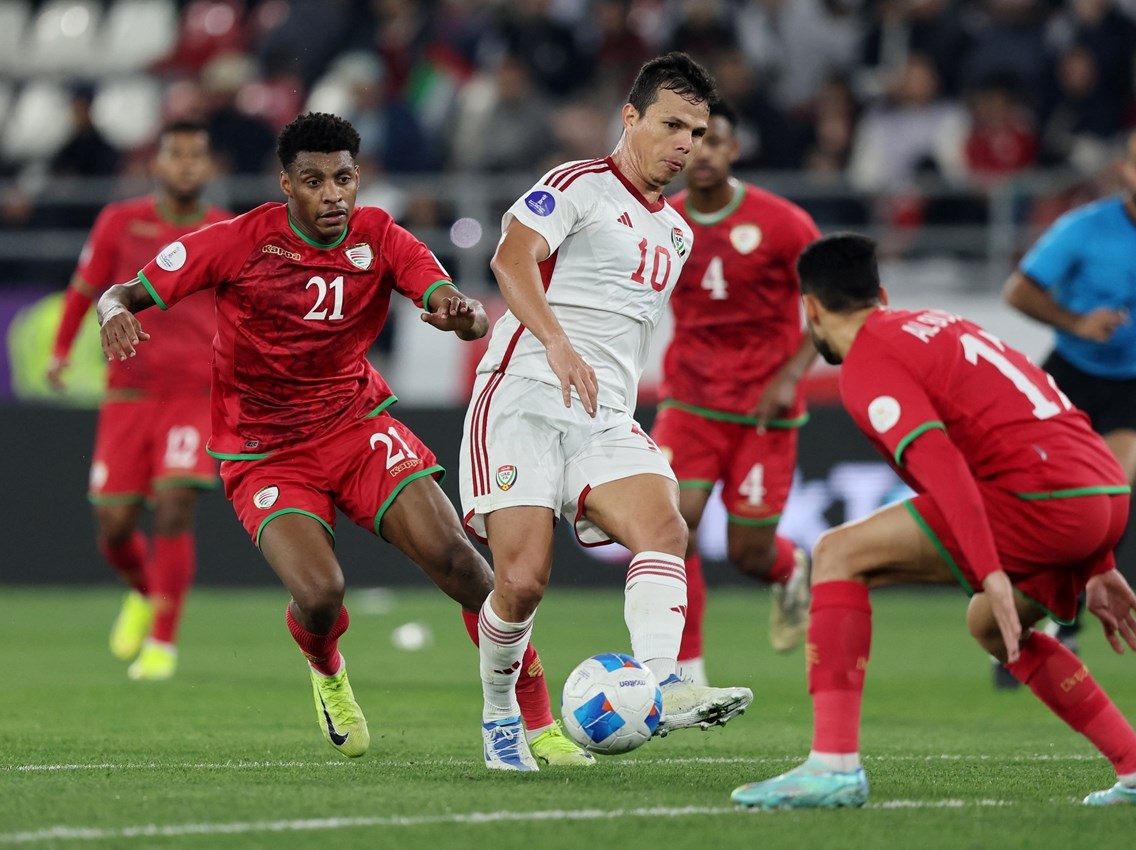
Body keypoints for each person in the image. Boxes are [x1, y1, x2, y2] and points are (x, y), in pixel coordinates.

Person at [96, 112, 591, 768]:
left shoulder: (380, 236)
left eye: (344, 178)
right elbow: (122, 291)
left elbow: (451, 300)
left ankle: (538, 723)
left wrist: (464, 316)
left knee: (464, 566)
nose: (333, 194)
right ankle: (327, 669)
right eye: (314, 180)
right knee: (321, 594)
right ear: (286, 184)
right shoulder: (237, 242)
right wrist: (114, 314)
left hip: (357, 428)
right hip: (264, 450)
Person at [732, 234, 1136, 809]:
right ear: (883, 294)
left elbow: (943, 466)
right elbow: (1044, 408)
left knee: (836, 554)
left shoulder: (870, 363)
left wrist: (991, 569)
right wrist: (1097, 557)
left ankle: (833, 767)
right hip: (1100, 487)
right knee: (993, 629)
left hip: (1043, 497)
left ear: (812, 310)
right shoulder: (937, 323)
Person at [459, 52, 753, 772]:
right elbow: (511, 259)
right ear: (630, 118)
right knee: (522, 581)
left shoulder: (677, 234)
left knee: (664, 525)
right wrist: (555, 341)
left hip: (603, 413)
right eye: (672, 125)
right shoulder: (576, 186)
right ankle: (501, 716)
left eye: (698, 132)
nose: (686, 144)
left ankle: (666, 680)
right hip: (523, 392)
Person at [1000, 123, 1136, 686]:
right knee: (1040, 509)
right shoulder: (1083, 229)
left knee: (1106, 501)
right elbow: (1018, 290)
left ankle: (1061, 621)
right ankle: (1010, 623)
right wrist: (1076, 322)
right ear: (1124, 170)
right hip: (1068, 378)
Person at [47, 121, 229, 681]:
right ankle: (144, 593)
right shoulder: (119, 222)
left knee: (175, 505)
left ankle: (162, 643)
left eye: (197, 155)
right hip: (128, 392)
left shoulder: (224, 230)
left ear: (210, 166)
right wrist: (60, 350)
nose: (186, 165)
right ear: (158, 163)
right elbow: (86, 287)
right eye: (176, 154)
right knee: (115, 524)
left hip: (194, 393)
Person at [655, 99, 821, 685]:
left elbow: (832, 306)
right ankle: (686, 669)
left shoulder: (783, 223)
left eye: (714, 140)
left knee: (750, 552)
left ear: (734, 148)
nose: (701, 152)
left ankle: (789, 570)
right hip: (689, 401)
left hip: (762, 410)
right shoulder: (661, 220)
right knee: (671, 525)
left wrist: (791, 374)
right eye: (691, 140)